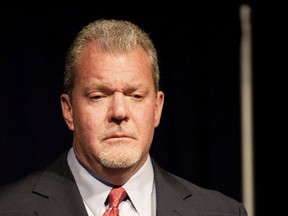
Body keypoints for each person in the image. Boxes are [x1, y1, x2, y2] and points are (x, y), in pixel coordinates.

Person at [0, 18, 248, 216]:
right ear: (69, 110)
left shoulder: (222, 212)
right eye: (98, 96)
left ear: (157, 108)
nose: (119, 112)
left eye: (136, 96)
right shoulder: (9, 209)